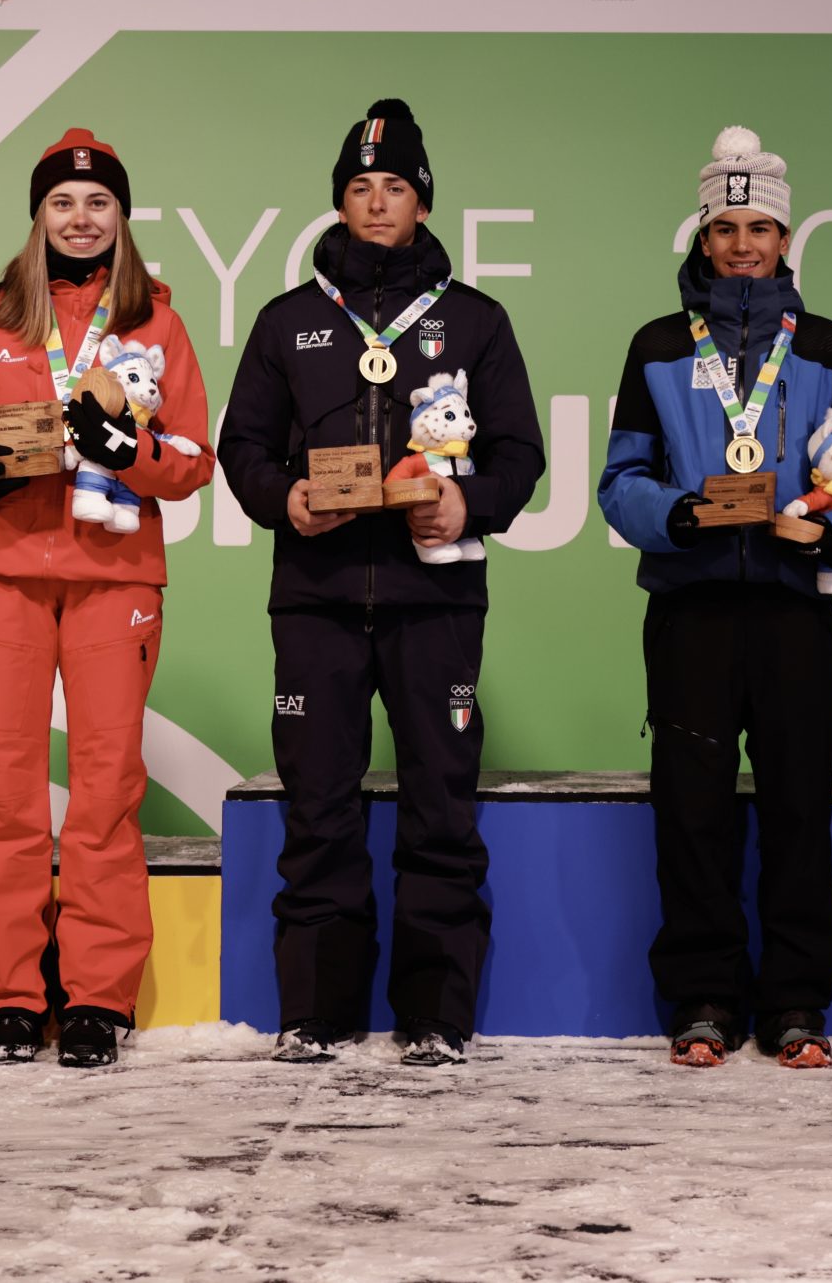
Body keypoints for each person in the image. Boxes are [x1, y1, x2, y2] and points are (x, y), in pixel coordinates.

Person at [219, 98, 546, 1068]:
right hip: (315, 596)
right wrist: (285, 501)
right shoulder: (289, 322)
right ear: (339, 202)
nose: (374, 202)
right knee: (318, 801)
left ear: (422, 202)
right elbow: (242, 450)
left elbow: (521, 455)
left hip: (435, 598)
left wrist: (466, 503)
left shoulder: (474, 322)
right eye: (359, 188)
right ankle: (315, 1011)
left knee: (441, 803)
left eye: (392, 187)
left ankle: (435, 1015)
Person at [596, 126, 832, 1069]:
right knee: (690, 812)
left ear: (784, 237)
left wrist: (830, 533)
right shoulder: (656, 346)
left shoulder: (824, 347)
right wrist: (680, 515)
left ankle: (799, 1001)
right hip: (689, 609)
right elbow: (619, 480)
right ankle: (702, 997)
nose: (741, 244)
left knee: (798, 807)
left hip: (791, 611)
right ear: (701, 235)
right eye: (724, 226)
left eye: (758, 227)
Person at [0, 128, 215, 1068]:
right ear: (38, 216)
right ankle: (7, 992)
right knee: (4, 787)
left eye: (98, 204)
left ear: (121, 218)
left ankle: (96, 995)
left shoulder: (156, 322)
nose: (81, 218)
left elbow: (195, 458)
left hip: (114, 576)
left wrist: (132, 452)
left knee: (103, 791)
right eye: (62, 203)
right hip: (2, 571)